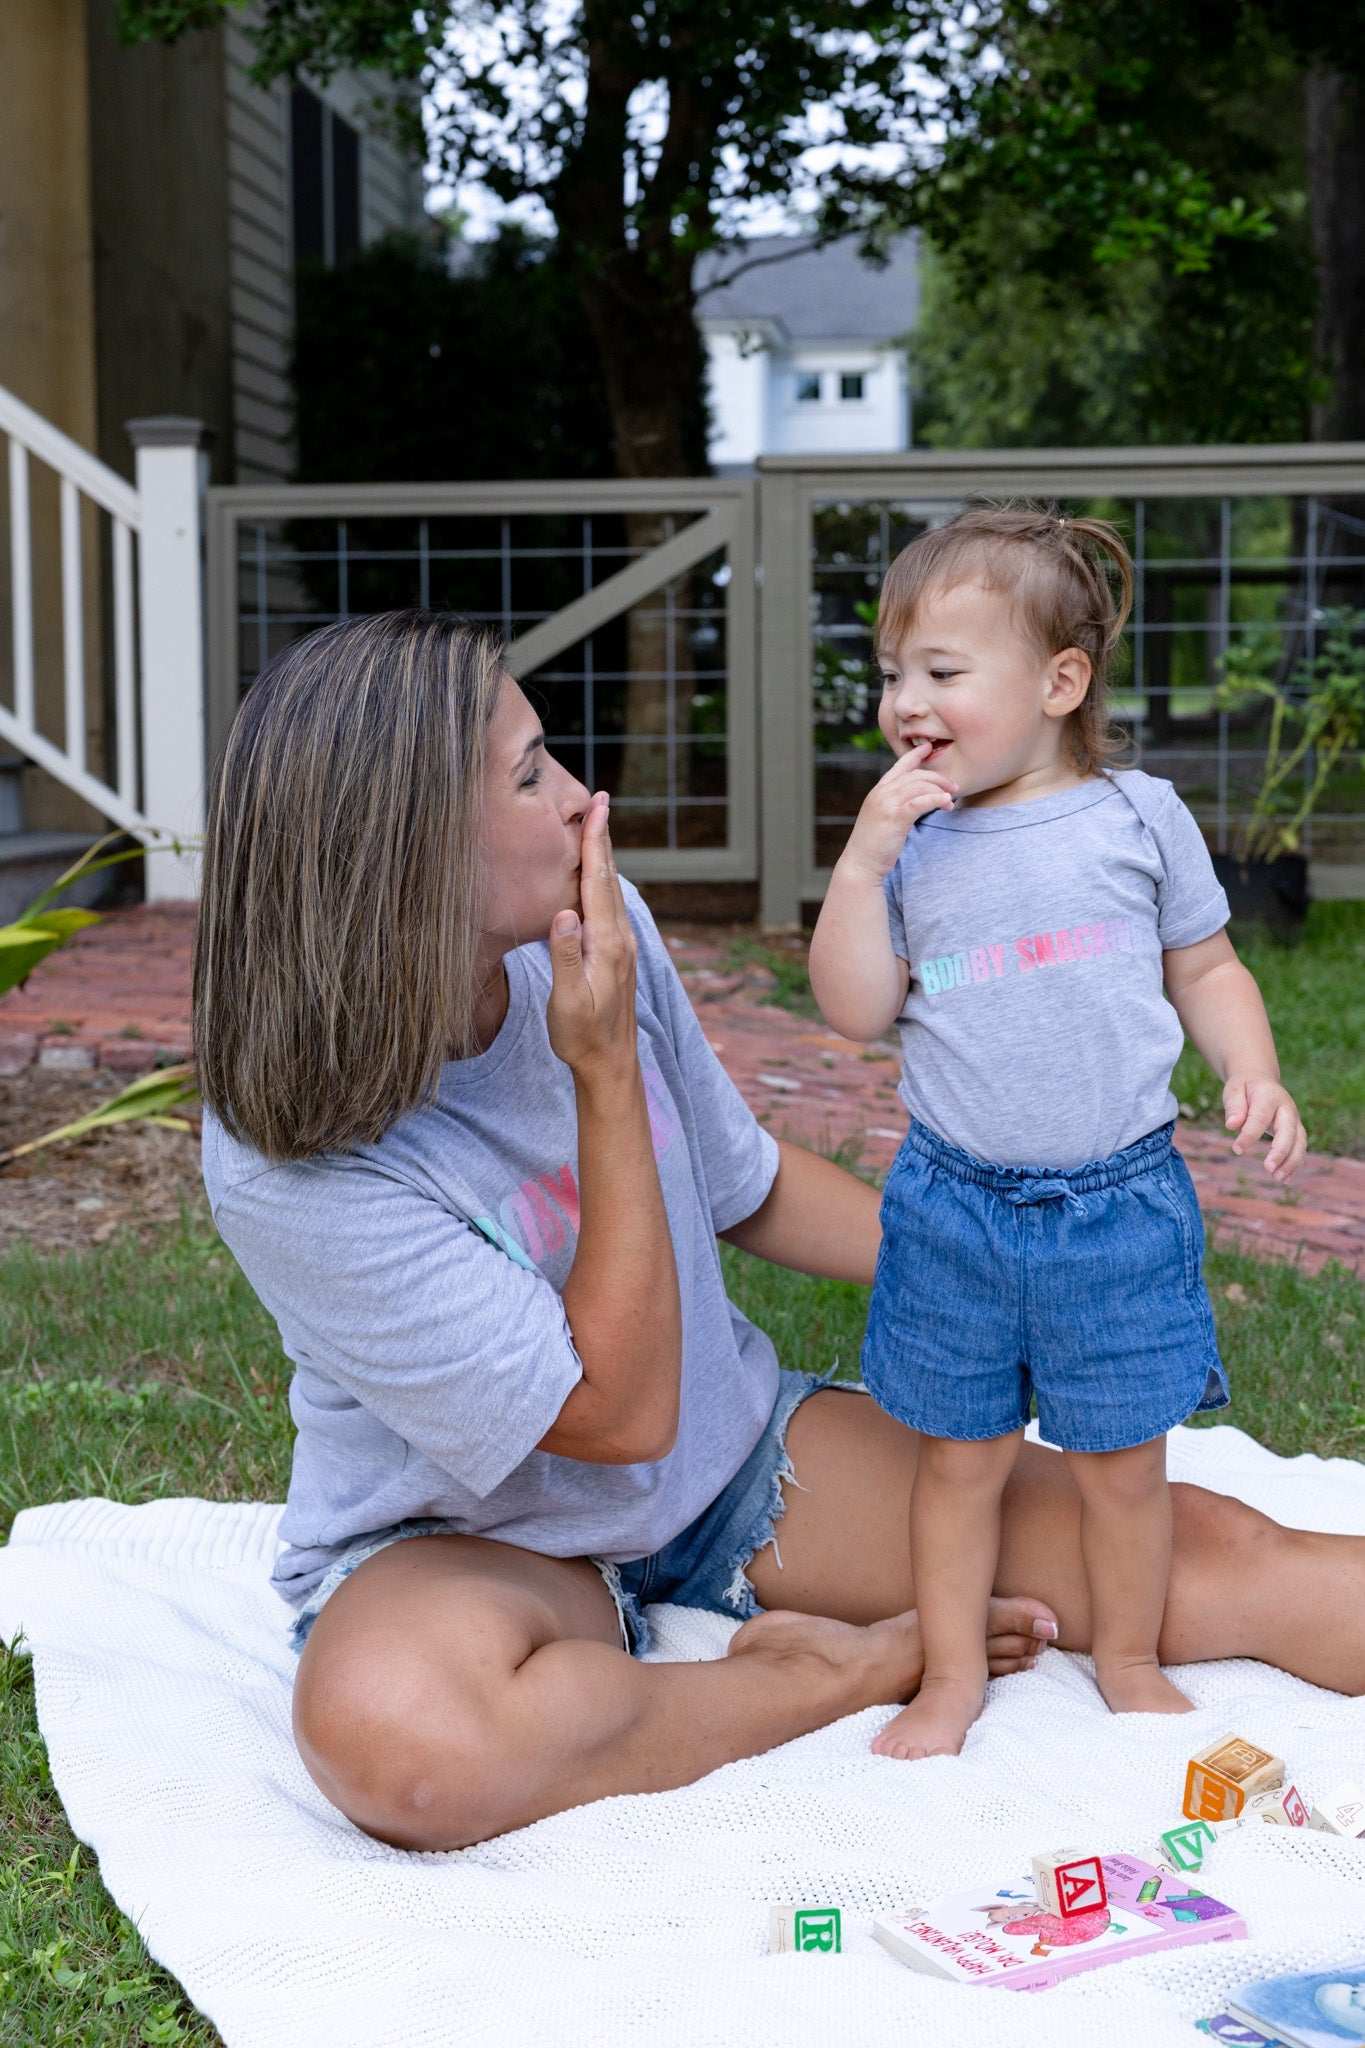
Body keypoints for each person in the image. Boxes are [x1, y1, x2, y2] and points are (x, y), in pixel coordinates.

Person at [195, 607, 1354, 1856]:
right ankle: (838, 1673)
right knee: (400, 1735)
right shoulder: (285, 1161)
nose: (585, 801)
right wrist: (602, 1074)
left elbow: (745, 1187)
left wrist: (998, 1274)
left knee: (1207, 1552)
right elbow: (614, 1415)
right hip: (464, 1541)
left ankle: (744, 1662)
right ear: (407, 852)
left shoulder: (596, 927)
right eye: (532, 775)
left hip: (730, 1465)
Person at [807, 502, 1307, 1763]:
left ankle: (1128, 1656)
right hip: (954, 1208)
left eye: (942, 670)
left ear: (1058, 682)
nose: (905, 699)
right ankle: (950, 1676)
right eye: (891, 674)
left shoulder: (1138, 818)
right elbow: (857, 1009)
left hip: (1117, 1208)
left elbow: (1206, 965)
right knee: (959, 1464)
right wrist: (861, 871)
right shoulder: (912, 847)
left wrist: (1251, 1065)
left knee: (1120, 1466)